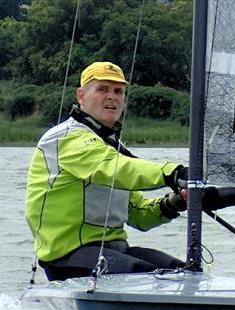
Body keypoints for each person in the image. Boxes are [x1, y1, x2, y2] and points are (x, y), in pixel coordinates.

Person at [25, 61, 188, 281]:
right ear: (81, 96)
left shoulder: (110, 146)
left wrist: (173, 203)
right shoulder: (65, 138)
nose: (112, 96)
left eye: (118, 91)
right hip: (68, 257)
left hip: (114, 250)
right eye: (102, 89)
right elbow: (113, 168)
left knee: (184, 273)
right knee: (145, 276)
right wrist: (173, 172)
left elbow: (138, 213)